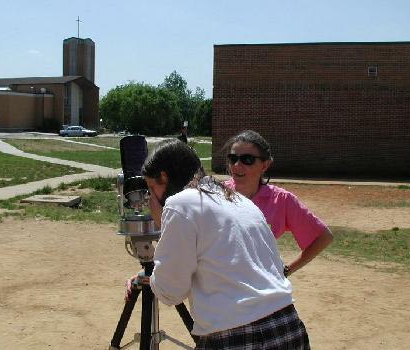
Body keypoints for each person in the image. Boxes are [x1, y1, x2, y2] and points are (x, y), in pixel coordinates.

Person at [127, 139, 311, 349]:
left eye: (152, 187)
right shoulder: (240, 200)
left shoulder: (179, 204)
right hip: (289, 326)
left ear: (164, 177)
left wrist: (162, 221)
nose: (151, 196)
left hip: (238, 335)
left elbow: (171, 291)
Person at [223, 130, 333, 277]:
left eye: (247, 159)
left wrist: (287, 270)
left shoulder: (281, 200)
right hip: (219, 283)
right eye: (232, 158)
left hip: (259, 285)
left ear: (265, 165)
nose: (237, 165)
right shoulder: (216, 194)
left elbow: (323, 237)